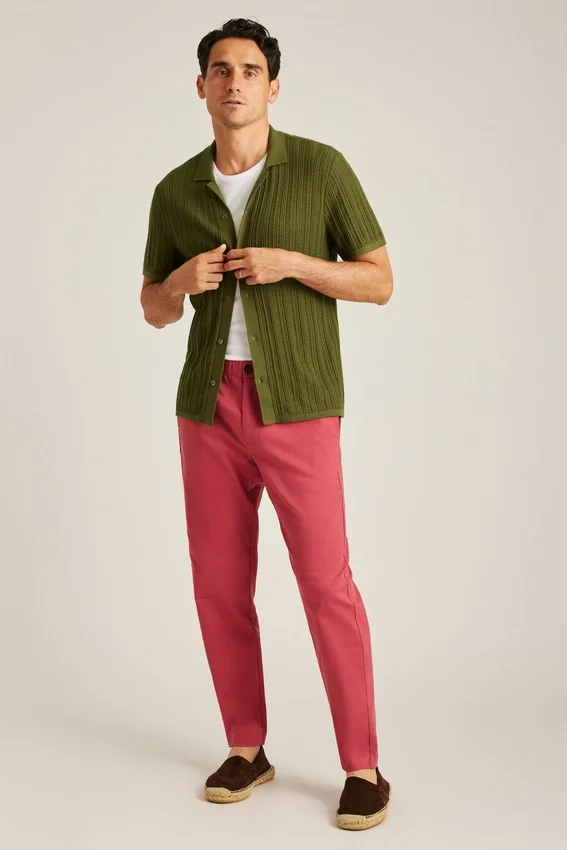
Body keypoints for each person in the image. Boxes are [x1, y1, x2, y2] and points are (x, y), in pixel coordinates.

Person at [140, 17, 394, 831]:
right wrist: (177, 281)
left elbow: (378, 281)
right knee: (218, 585)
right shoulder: (176, 190)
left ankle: (362, 767)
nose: (235, 82)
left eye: (250, 70)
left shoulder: (320, 169)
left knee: (325, 583)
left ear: (272, 87)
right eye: (221, 69)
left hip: (299, 402)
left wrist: (293, 265)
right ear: (201, 86)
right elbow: (152, 308)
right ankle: (246, 747)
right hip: (206, 406)